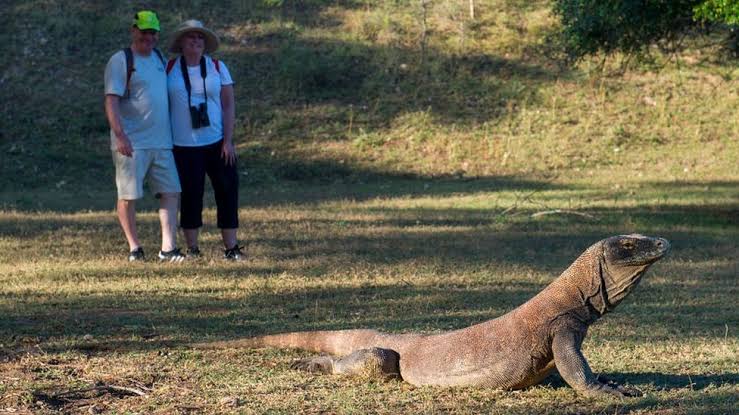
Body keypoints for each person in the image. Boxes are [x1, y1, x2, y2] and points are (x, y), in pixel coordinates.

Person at [104, 10, 186, 262]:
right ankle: (134, 248)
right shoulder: (121, 60)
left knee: (171, 192)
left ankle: (168, 248)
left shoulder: (159, 58)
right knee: (128, 196)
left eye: (152, 32)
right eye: (143, 31)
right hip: (132, 143)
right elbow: (111, 100)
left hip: (162, 142)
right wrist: (120, 135)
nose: (148, 37)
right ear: (133, 30)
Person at [166, 20, 244, 261]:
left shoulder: (217, 67)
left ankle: (231, 248)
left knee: (227, 191)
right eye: (190, 37)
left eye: (200, 37)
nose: (196, 41)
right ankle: (193, 248)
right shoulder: (168, 69)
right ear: (181, 43)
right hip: (183, 145)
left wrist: (228, 141)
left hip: (216, 142)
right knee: (191, 194)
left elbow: (228, 104)